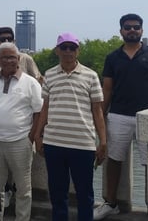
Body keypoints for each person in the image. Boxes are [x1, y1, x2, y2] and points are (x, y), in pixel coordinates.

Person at [94, 14, 148, 220]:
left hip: (147, 115)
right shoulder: (112, 57)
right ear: (121, 31)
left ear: (142, 30)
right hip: (118, 114)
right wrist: (100, 117)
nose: (132, 30)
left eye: (136, 27)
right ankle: (110, 203)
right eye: (128, 27)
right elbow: (107, 89)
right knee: (114, 159)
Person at [33, 33, 107, 221]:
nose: (68, 51)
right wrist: (38, 135)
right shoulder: (49, 74)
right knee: (57, 194)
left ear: (77, 51)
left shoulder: (90, 75)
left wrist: (103, 141)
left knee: (85, 194)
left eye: (72, 47)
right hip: (54, 143)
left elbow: (97, 111)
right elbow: (45, 108)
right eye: (64, 47)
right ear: (57, 50)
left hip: (83, 144)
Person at [0, 42, 43, 221]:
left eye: (12, 57)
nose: (8, 61)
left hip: (20, 141)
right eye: (4, 57)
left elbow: (39, 112)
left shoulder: (30, 83)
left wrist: (32, 137)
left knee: (23, 188)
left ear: (19, 59)